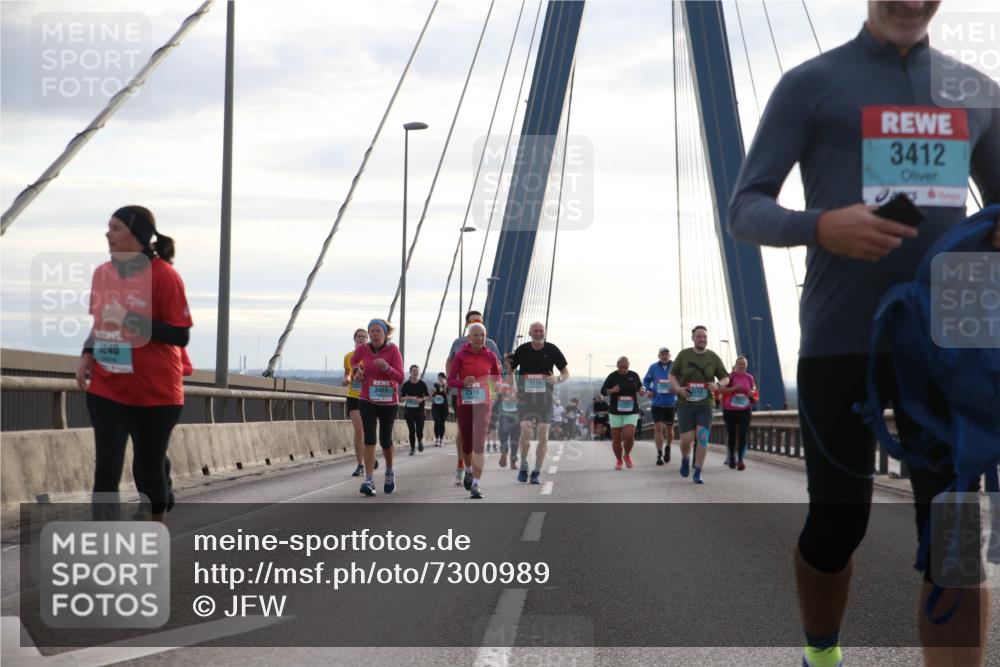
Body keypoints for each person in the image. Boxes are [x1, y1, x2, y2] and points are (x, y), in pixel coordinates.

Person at [728, 3, 1000, 664]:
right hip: (841, 331)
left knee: (955, 537)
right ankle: (821, 652)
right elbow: (745, 207)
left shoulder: (980, 94)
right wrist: (821, 225)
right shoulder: (812, 84)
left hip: (951, 340)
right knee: (837, 521)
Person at [76, 205, 192, 522]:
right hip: (108, 385)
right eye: (108, 227)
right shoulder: (103, 273)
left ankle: (156, 526)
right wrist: (88, 353)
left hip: (156, 391)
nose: (107, 234)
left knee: (148, 467)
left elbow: (180, 335)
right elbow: (101, 322)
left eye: (115, 228)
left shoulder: (165, 276)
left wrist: (130, 320)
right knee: (107, 466)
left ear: (138, 236)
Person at [507, 321, 569, 484]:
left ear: (545, 332)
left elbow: (565, 372)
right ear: (530, 333)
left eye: (541, 331)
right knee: (526, 432)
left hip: (545, 399)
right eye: (535, 331)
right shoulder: (522, 350)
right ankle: (524, 464)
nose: (538, 333)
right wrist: (512, 388)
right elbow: (510, 369)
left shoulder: (552, 349)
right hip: (525, 398)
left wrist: (558, 378)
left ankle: (537, 471)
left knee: (543, 435)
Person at [447, 322, 504, 499]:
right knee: (467, 441)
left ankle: (476, 485)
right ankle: (469, 470)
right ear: (469, 338)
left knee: (479, 443)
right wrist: (462, 382)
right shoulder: (461, 356)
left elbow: (497, 378)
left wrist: (498, 385)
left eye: (483, 335)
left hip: (483, 402)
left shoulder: (491, 356)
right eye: (476, 335)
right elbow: (450, 380)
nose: (480, 338)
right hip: (465, 402)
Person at [350, 319, 404, 497]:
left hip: (389, 401)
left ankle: (389, 472)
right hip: (368, 399)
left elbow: (400, 378)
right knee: (370, 439)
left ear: (385, 333)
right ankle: (369, 480)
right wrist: (357, 371)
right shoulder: (362, 349)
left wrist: (387, 368)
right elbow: (354, 361)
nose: (374, 334)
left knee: (385, 440)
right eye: (371, 331)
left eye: (377, 331)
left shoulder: (393, 349)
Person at [668, 326, 728, 485]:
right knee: (686, 439)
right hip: (685, 403)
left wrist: (717, 385)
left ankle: (698, 471)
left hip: (705, 403)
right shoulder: (684, 355)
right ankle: (685, 458)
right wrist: (677, 388)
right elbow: (672, 375)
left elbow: (725, 378)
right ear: (693, 338)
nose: (702, 339)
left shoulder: (713, 357)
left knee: (702, 437)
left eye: (704, 337)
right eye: (699, 336)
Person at [600, 357, 647, 470]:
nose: (624, 369)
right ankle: (619, 460)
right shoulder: (612, 376)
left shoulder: (633, 375)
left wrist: (643, 391)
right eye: (621, 367)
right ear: (617, 366)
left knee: (629, 435)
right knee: (616, 438)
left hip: (631, 411)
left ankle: (626, 455)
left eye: (626, 367)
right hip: (615, 412)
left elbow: (643, 387)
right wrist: (612, 391)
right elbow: (603, 391)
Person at [344, 328, 376, 476]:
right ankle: (360, 464)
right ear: (354, 339)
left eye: (364, 337)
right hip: (353, 396)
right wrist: (347, 379)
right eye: (359, 336)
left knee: (368, 430)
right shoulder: (348, 356)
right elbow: (347, 372)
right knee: (359, 430)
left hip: (368, 397)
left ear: (367, 339)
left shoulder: (371, 355)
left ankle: (369, 455)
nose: (362, 339)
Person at [719, 356, 756, 470]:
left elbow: (753, 388)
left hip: (745, 409)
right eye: (740, 364)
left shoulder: (749, 377)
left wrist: (752, 392)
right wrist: (734, 389)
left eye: (744, 364)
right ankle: (732, 458)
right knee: (732, 434)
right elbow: (721, 390)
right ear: (736, 365)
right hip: (730, 410)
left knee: (742, 434)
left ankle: (740, 460)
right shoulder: (730, 377)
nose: (742, 366)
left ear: (746, 365)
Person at [643, 347, 678, 465]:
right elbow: (646, 381)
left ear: (669, 356)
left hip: (670, 403)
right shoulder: (653, 367)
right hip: (657, 403)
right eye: (662, 354)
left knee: (669, 430)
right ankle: (659, 454)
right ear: (659, 356)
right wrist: (647, 391)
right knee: (658, 428)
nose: (665, 356)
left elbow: (683, 380)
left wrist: (676, 388)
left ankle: (668, 448)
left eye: (667, 354)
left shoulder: (675, 366)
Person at [400, 364, 430, 455]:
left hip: (420, 411)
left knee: (419, 431)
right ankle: (412, 448)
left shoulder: (422, 384)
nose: (415, 373)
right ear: (410, 372)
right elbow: (401, 397)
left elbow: (428, 396)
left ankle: (420, 440)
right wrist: (406, 398)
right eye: (414, 371)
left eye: (417, 371)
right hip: (409, 411)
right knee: (411, 430)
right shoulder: (406, 384)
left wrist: (422, 399)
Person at [431, 373, 449, 447]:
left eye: (441, 377)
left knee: (442, 423)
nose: (439, 379)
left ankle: (441, 439)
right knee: (436, 421)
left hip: (443, 407)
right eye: (438, 377)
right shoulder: (435, 384)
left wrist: (443, 388)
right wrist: (433, 392)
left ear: (444, 378)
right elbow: (433, 394)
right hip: (436, 406)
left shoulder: (446, 385)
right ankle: (437, 439)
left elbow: (446, 394)